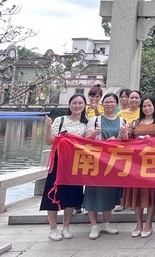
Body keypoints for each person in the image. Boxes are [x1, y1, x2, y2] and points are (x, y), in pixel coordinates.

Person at [40, 94, 88, 241]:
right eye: (74, 103)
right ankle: (53, 228)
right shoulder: (60, 120)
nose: (77, 106)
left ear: (84, 106)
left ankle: (66, 226)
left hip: (74, 163)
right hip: (58, 161)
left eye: (80, 103)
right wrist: (48, 126)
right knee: (53, 192)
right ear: (69, 105)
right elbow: (49, 141)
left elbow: (87, 144)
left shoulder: (86, 124)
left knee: (71, 195)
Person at [83, 92, 129, 239]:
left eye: (112, 102)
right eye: (107, 102)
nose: (109, 104)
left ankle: (106, 223)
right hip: (96, 161)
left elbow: (126, 141)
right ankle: (93, 225)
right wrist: (95, 134)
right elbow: (86, 140)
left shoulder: (122, 120)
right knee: (93, 192)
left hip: (113, 162)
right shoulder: (95, 120)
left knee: (110, 192)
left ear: (117, 104)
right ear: (102, 104)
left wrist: (123, 135)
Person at [122, 96, 155, 238]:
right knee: (136, 192)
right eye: (145, 106)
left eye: (150, 105)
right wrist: (124, 134)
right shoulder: (135, 123)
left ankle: (148, 223)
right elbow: (127, 140)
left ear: (154, 106)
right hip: (136, 163)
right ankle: (138, 223)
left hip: (154, 164)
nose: (147, 108)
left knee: (151, 193)